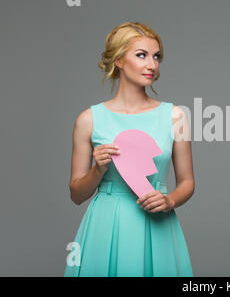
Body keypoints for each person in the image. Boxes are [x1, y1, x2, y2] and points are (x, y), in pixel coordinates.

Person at [65, 22, 194, 277]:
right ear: (119, 61)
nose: (152, 65)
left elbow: (188, 182)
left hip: (156, 225)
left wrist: (169, 200)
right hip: (105, 224)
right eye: (141, 55)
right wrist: (97, 169)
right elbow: (76, 194)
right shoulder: (88, 120)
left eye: (156, 56)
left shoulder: (176, 116)